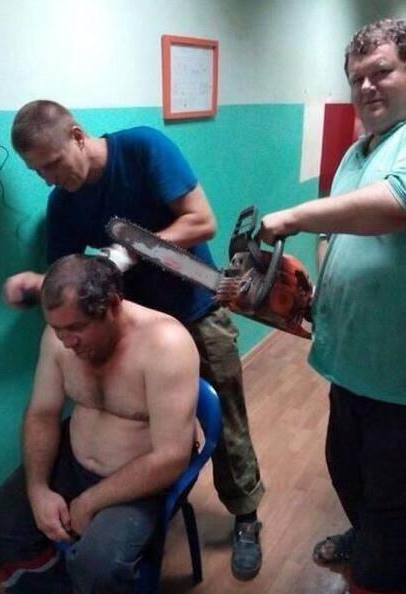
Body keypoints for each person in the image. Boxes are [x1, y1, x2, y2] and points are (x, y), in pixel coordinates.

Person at [2, 100, 264, 579]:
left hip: (194, 309)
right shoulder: (63, 202)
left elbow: (202, 221)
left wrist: (127, 252)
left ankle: (246, 516)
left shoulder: (142, 149)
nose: (49, 179)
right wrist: (36, 284)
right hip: (131, 333)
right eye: (38, 172)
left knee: (225, 422)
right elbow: (68, 277)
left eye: (53, 164)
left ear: (77, 135)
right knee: (145, 427)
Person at [257, 18, 406, 594]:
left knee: (392, 498)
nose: (366, 87)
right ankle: (366, 537)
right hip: (350, 362)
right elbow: (334, 227)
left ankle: (376, 571)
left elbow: (392, 204)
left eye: (381, 72)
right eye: (356, 78)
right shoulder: (356, 152)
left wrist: (292, 217)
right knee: (349, 471)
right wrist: (319, 285)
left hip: (397, 378)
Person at [0, 254, 199, 594]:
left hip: (139, 477)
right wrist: (38, 489)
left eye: (76, 328)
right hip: (73, 459)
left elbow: (171, 457)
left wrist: (90, 501)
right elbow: (42, 413)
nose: (66, 342)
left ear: (113, 305)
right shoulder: (60, 338)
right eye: (57, 329)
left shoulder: (165, 345)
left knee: (98, 564)